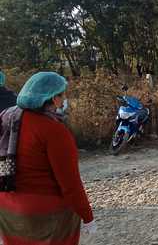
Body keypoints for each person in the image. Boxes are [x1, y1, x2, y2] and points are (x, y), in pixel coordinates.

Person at [0, 72, 95, 245]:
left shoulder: (7, 117)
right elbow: (70, 184)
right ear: (52, 98)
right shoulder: (54, 131)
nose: (64, 99)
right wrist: (87, 217)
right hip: (43, 215)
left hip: (8, 209)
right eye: (62, 94)